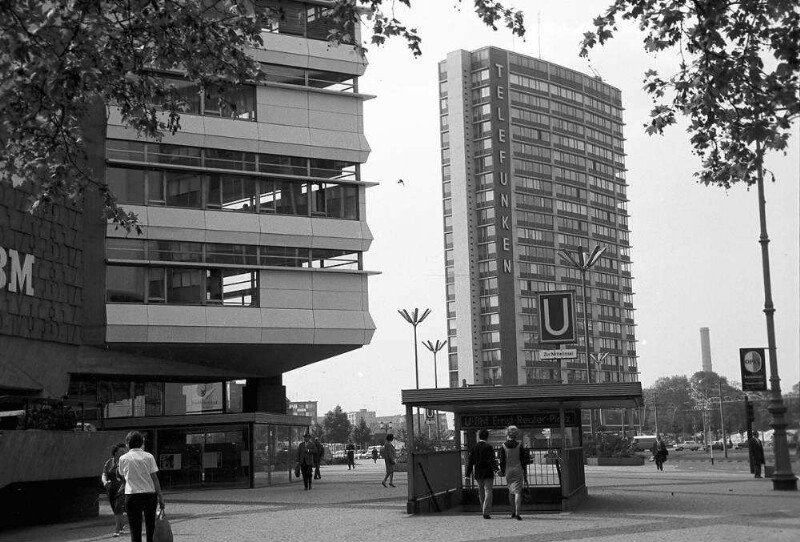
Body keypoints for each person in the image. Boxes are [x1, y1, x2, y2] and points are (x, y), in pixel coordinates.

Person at [117, 431, 164, 542]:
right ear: (142, 443)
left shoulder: (123, 458)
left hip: (132, 495)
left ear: (127, 443)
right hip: (149, 495)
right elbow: (154, 478)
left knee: (135, 529)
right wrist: (161, 496)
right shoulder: (149, 456)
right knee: (150, 527)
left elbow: (122, 476)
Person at [466, 428, 497, 519]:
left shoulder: (474, 448)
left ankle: (483, 509)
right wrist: (496, 469)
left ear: (479, 437)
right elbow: (491, 460)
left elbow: (470, 462)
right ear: (487, 437)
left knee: (481, 492)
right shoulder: (489, 447)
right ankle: (486, 511)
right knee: (488, 491)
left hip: (478, 473)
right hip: (488, 473)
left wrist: (467, 475)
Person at [499, 425, 527, 520]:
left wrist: (502, 471)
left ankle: (512, 511)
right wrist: (525, 472)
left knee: (511, 491)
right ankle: (518, 513)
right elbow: (523, 461)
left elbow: (502, 461)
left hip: (508, 470)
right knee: (518, 492)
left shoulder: (503, 446)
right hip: (518, 469)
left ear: (507, 434)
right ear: (516, 434)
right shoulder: (519, 445)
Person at [102, 443, 128, 537]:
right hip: (111, 488)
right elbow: (104, 474)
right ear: (116, 452)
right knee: (115, 509)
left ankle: (117, 529)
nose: (124, 452)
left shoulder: (125, 461)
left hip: (122, 488)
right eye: (121, 451)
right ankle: (121, 526)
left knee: (118, 507)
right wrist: (105, 482)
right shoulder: (109, 462)